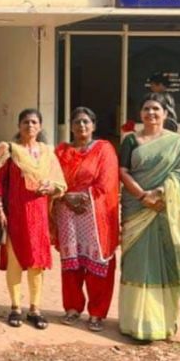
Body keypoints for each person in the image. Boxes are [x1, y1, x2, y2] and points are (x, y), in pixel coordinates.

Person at [118, 93, 180, 342]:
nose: (151, 113)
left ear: (166, 114)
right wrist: (142, 196)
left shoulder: (177, 142)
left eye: (156, 109)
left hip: (166, 208)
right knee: (136, 262)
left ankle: (161, 322)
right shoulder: (131, 140)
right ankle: (135, 322)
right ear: (140, 113)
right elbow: (122, 171)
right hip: (136, 208)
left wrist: (160, 192)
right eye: (146, 108)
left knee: (166, 263)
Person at [0, 109, 66, 330]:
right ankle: (15, 307)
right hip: (15, 214)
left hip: (39, 215)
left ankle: (35, 309)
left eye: (34, 122)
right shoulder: (10, 150)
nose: (30, 126)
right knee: (14, 261)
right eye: (25, 122)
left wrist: (50, 187)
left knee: (37, 262)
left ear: (40, 127)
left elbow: (59, 184)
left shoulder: (47, 153)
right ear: (19, 125)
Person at [53, 107, 120, 332]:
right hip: (66, 212)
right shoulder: (61, 151)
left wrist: (83, 197)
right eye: (77, 122)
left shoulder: (104, 149)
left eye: (86, 122)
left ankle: (97, 312)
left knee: (98, 263)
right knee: (71, 262)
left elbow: (108, 181)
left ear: (93, 126)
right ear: (71, 126)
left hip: (95, 214)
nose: (81, 126)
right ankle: (72, 308)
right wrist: (66, 197)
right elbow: (53, 177)